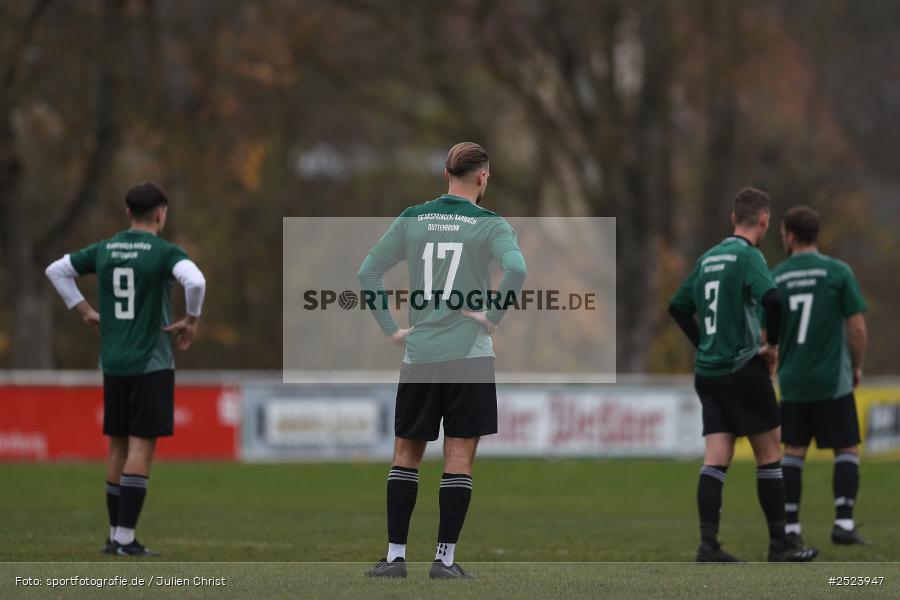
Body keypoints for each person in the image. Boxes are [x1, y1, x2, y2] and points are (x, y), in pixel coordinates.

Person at [359, 142, 526, 579]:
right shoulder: (490, 224)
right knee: (458, 456)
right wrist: (492, 317)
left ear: (445, 174)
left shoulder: (413, 218)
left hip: (420, 354)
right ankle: (444, 561)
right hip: (468, 356)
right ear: (483, 177)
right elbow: (517, 270)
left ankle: (395, 558)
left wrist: (390, 329)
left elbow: (368, 273)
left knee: (405, 454)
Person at [45, 182, 206, 557]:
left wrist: (85, 312)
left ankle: (113, 535)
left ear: (127, 212)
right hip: (151, 361)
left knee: (117, 445)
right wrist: (192, 319)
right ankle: (124, 539)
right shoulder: (164, 252)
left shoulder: (104, 249)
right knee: (141, 446)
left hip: (113, 361)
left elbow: (56, 270)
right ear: (161, 213)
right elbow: (195, 280)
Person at [668, 187, 817, 562]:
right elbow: (773, 299)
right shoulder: (748, 256)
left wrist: (703, 343)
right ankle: (780, 544)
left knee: (716, 456)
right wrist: (774, 347)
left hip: (708, 373)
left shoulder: (708, 258)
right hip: (742, 367)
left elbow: (678, 306)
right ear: (765, 220)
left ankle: (708, 545)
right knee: (770, 453)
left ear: (734, 218)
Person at [771, 206, 869, 546]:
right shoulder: (838, 272)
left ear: (792, 236)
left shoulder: (777, 276)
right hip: (832, 380)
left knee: (793, 451)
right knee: (846, 448)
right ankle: (843, 522)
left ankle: (792, 527)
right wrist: (856, 365)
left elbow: (766, 332)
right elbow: (856, 326)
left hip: (794, 380)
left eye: (783, 233)